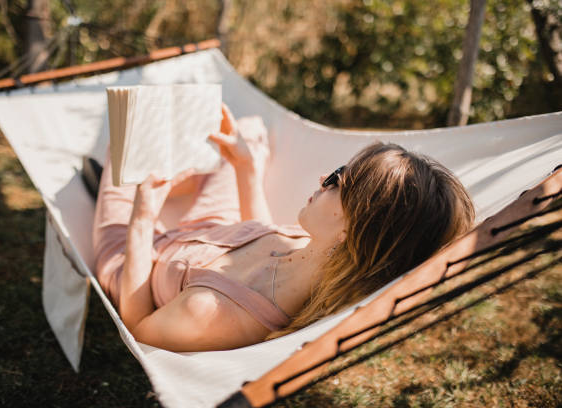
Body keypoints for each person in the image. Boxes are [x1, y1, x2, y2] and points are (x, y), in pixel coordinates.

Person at [92, 105, 475, 352]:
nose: (325, 176)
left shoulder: (214, 314)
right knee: (248, 130)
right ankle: (175, 179)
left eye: (339, 180)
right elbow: (262, 231)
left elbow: (139, 329)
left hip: (136, 259)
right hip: (216, 230)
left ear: (352, 229)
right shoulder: (312, 251)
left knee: (125, 146)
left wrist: (143, 218)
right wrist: (246, 169)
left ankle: (127, 186)